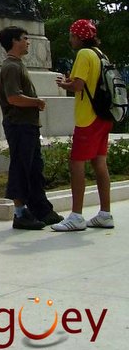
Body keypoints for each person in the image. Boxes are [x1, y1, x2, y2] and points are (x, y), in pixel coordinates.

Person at [0, 27, 63, 230]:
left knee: (35, 168)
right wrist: (37, 102)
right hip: (19, 125)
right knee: (21, 167)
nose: (28, 42)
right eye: (25, 38)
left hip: (28, 125)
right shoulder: (11, 67)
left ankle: (41, 209)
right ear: (14, 41)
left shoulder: (17, 65)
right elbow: (13, 97)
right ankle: (20, 213)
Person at [52, 19, 115, 232]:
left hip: (88, 116)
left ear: (79, 37)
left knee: (77, 164)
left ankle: (76, 215)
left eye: (71, 36)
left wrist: (64, 83)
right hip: (104, 116)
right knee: (100, 163)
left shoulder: (83, 55)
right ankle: (105, 213)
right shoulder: (100, 54)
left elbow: (78, 85)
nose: (70, 40)